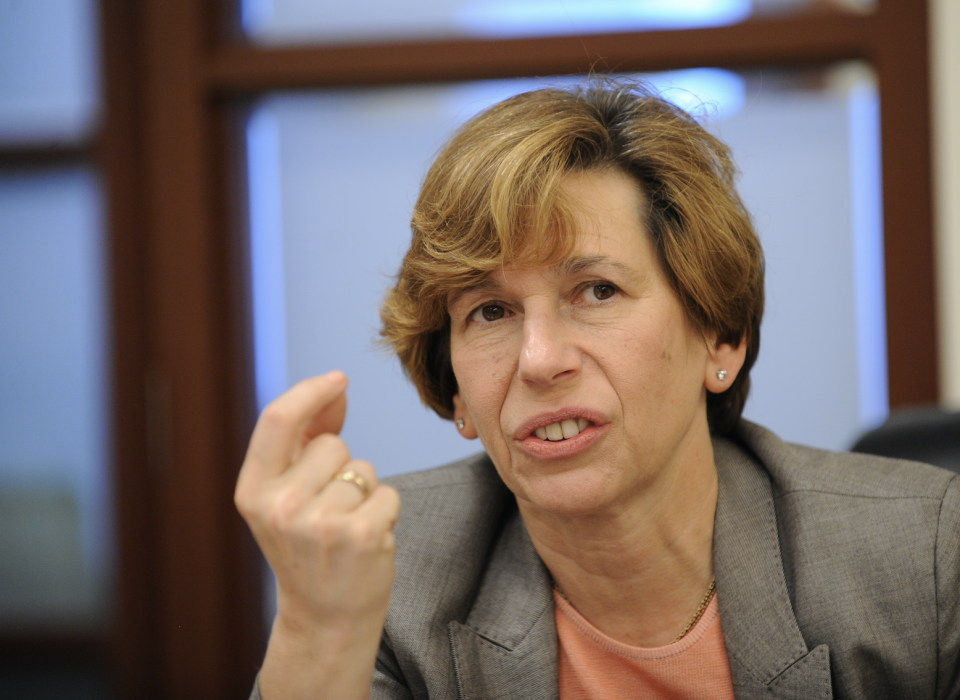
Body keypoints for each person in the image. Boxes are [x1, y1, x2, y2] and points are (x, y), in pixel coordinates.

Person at [235, 80, 960, 700]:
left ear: (721, 338)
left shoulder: (920, 556)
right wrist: (317, 632)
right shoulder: (392, 581)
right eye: (491, 311)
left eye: (596, 290)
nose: (540, 360)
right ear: (455, 392)